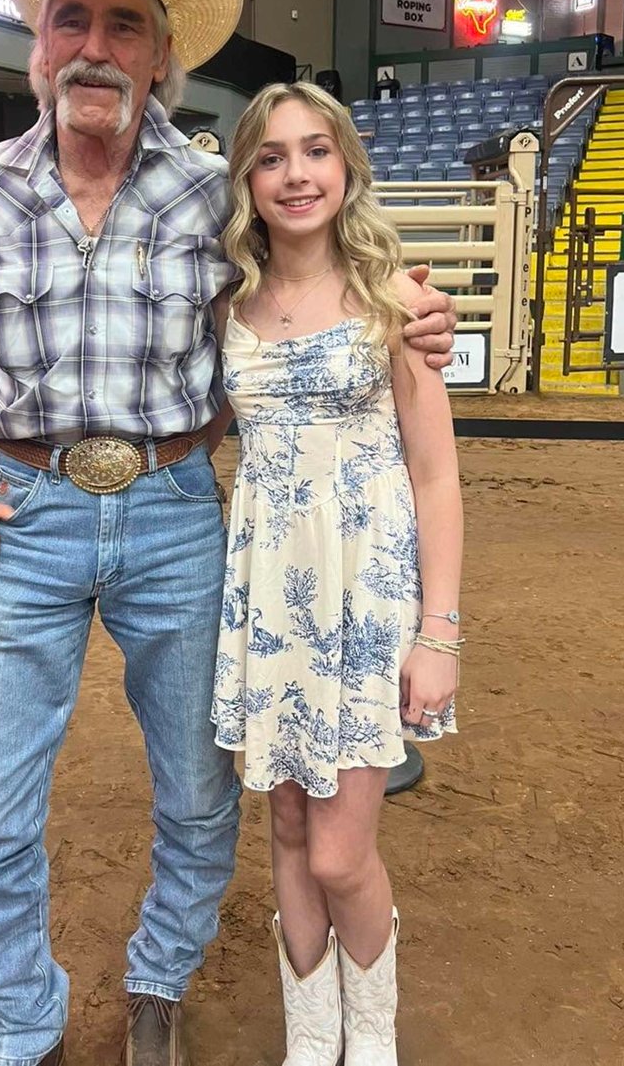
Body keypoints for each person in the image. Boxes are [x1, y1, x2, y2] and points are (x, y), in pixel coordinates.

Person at [0, 0, 458, 1066]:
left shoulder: (213, 192)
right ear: (40, 42)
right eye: (71, 20)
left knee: (202, 801)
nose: (94, 47)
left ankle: (158, 982)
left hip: (179, 513)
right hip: (24, 514)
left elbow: (321, 250)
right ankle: (24, 1032)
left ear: (159, 56)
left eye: (124, 25)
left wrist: (414, 312)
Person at [210, 81, 463, 1065]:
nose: (294, 174)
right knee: (281, 827)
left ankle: (375, 1044)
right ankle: (310, 1044)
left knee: (338, 851)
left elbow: (437, 478)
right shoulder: (229, 306)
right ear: (247, 180)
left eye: (314, 150)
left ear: (346, 164)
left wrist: (438, 634)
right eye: (270, 157)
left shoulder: (395, 301)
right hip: (269, 594)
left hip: (365, 602)